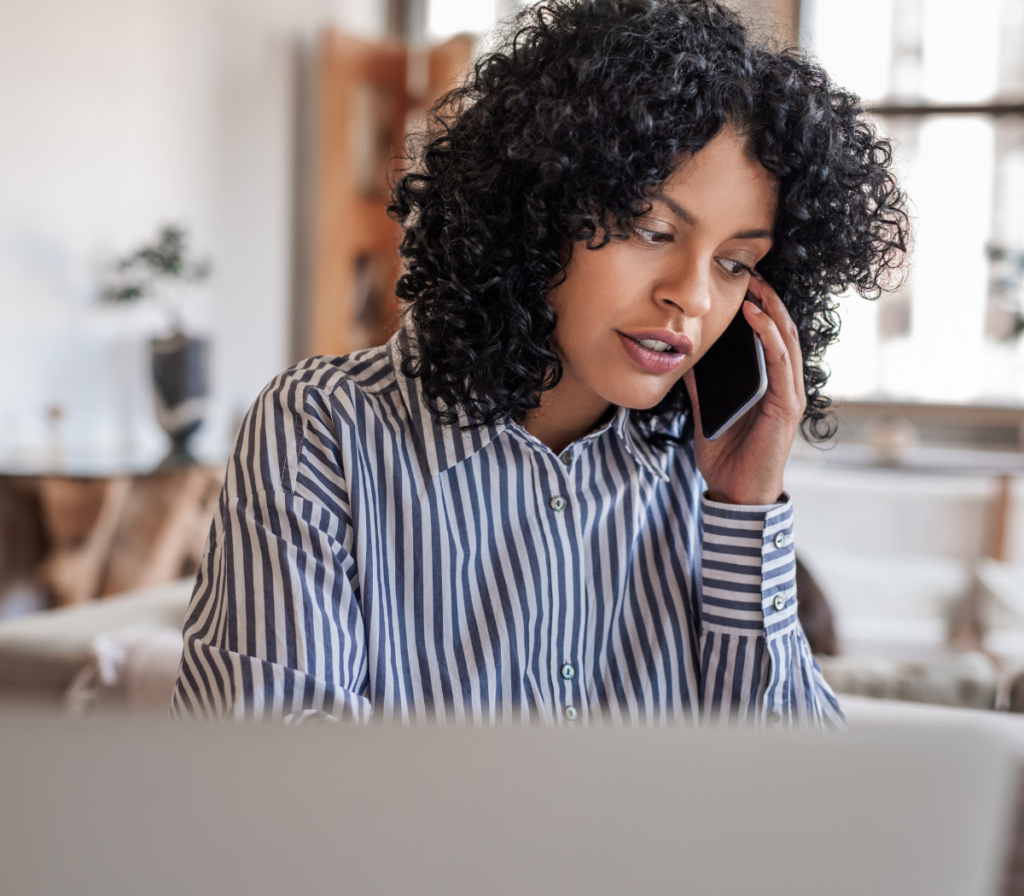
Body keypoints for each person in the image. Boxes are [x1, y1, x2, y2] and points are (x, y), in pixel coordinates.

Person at [171, 0, 908, 726]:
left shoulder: (708, 477)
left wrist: (746, 516)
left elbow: (797, 811)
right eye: (653, 230)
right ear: (538, 209)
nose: (691, 297)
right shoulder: (325, 430)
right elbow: (268, 796)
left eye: (736, 262)